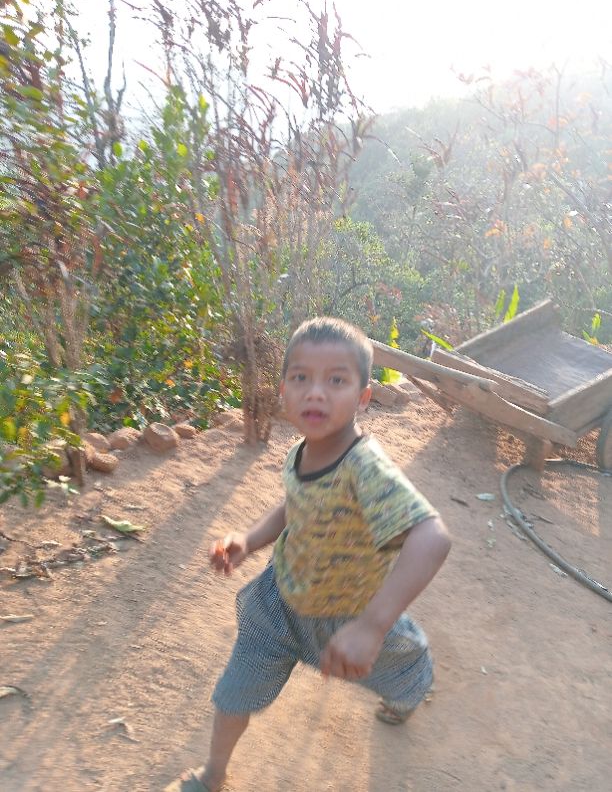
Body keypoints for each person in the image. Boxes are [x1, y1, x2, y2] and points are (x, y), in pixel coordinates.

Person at [166, 317, 451, 792]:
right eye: (301, 378)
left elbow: (432, 536)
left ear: (363, 397)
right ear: (284, 391)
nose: (315, 392)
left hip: (348, 615)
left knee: (404, 668)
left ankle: (406, 697)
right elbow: (293, 506)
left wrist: (372, 626)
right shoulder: (302, 449)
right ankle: (213, 775)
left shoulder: (365, 466)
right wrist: (248, 540)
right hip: (277, 603)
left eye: (336, 381)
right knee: (235, 691)